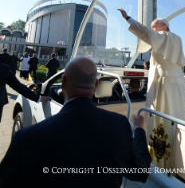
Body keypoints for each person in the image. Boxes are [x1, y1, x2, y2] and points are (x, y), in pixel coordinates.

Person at [0, 57, 151, 187]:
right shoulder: (120, 125)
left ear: (63, 81)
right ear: (96, 85)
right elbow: (141, 172)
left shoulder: (25, 138)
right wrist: (139, 129)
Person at [117, 8, 185, 125]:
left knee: (163, 115)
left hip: (165, 81)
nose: (152, 30)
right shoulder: (176, 38)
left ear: (164, 27)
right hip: (178, 81)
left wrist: (127, 18)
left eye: (154, 27)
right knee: (177, 111)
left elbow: (145, 32)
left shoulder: (164, 36)